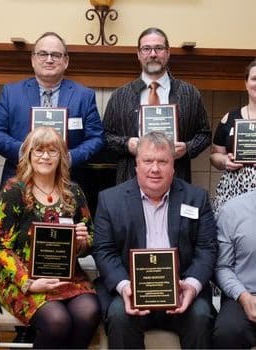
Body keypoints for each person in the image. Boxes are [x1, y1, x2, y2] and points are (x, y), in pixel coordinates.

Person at [92, 131, 217, 349]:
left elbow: (207, 248)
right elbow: (104, 251)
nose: (155, 169)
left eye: (162, 161)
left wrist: (191, 285)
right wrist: (125, 287)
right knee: (119, 316)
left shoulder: (196, 198)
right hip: (131, 291)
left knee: (200, 316)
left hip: (182, 291)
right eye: (148, 161)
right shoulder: (110, 200)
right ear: (136, 165)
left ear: (173, 166)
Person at [0, 126, 100, 349]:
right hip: (22, 280)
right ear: (29, 154)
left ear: (62, 156)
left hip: (67, 278)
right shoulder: (14, 190)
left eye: (52, 151)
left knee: (89, 313)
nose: (45, 156)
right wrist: (28, 282)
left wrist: (81, 242)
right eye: (39, 150)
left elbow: (90, 239)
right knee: (57, 321)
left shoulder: (74, 192)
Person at [0, 31, 104, 190]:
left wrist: (69, 158)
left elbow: (97, 138)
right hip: (18, 180)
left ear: (66, 61)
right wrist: (23, 152)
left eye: (56, 55)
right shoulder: (11, 92)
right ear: (33, 60)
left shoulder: (84, 96)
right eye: (42, 54)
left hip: (68, 182)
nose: (49, 60)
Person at [103, 27, 211, 185]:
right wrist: (127, 144)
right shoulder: (120, 95)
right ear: (139, 54)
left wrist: (187, 148)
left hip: (177, 179)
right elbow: (105, 137)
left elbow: (205, 134)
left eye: (159, 48)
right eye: (146, 49)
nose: (153, 54)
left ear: (167, 53)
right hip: (130, 181)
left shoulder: (190, 93)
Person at [210, 59, 256, 216]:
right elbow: (215, 155)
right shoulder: (229, 117)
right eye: (254, 79)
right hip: (232, 193)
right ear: (246, 83)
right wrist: (224, 161)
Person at [213, 190, 256, 348]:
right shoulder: (232, 210)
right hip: (244, 294)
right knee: (227, 331)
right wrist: (244, 297)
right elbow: (222, 266)